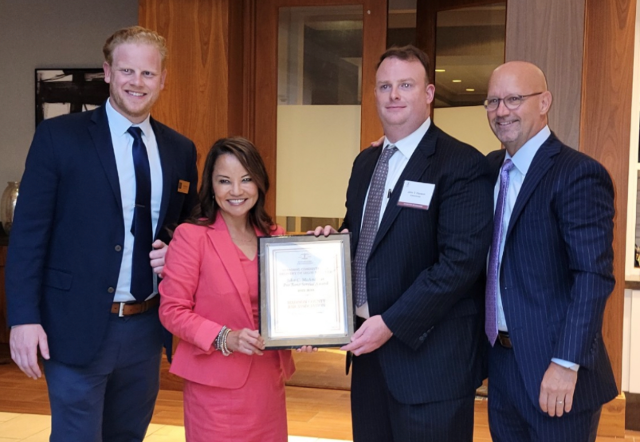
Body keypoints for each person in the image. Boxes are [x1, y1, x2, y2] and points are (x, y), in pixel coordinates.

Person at [6, 26, 198, 442]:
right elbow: (28, 235)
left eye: (148, 74)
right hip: (74, 325)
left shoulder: (180, 150)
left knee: (128, 435)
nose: (137, 82)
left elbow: (186, 225)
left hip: (146, 328)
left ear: (163, 78)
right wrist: (22, 318)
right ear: (107, 72)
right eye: (127, 71)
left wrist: (177, 249)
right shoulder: (59, 138)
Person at [315, 45, 493, 441]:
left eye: (406, 85)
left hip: (430, 367)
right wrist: (332, 244)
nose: (393, 95)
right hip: (369, 359)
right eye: (384, 86)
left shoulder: (460, 163)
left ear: (428, 93)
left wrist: (392, 323)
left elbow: (459, 264)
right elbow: (363, 238)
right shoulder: (366, 163)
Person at [483, 61, 618, 442]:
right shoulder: (489, 169)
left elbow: (592, 276)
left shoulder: (577, 174)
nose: (501, 111)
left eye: (513, 99)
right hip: (502, 363)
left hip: (557, 371)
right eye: (493, 101)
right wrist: (390, 144)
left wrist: (565, 362)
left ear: (544, 103)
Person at [159, 137, 313, 442]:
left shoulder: (275, 236)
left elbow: (292, 303)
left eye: (246, 179)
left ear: (259, 182)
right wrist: (225, 337)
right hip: (215, 388)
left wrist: (306, 331)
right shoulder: (192, 237)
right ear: (211, 187)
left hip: (267, 380)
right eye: (224, 181)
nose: (237, 191)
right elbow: (172, 311)